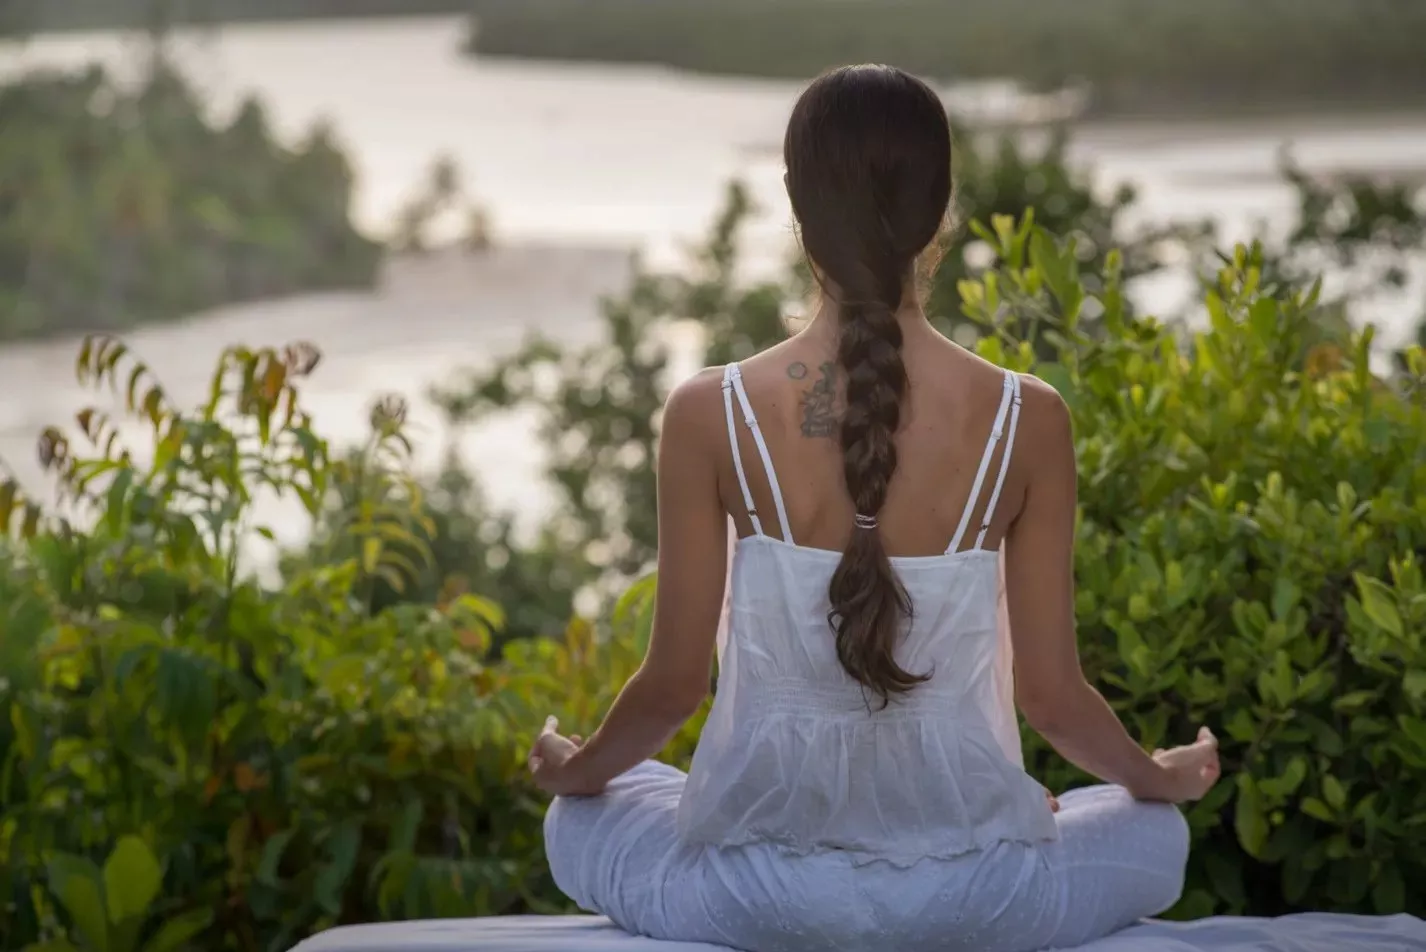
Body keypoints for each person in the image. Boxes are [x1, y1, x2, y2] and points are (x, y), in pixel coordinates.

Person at [527, 64, 1220, 952]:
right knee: (1153, 833)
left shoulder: (709, 411)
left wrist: (579, 770)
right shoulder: (1030, 417)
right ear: (941, 207)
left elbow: (672, 690)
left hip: (760, 894)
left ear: (796, 202)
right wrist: (1155, 778)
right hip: (973, 896)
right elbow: (1052, 699)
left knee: (583, 817)